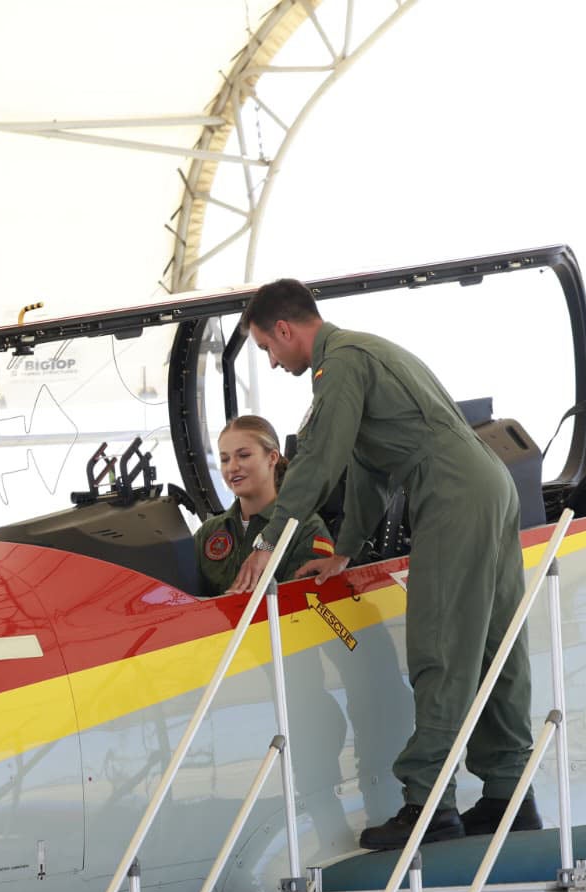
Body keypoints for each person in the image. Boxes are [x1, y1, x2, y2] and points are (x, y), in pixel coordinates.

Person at [228, 279, 537, 851]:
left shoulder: (340, 365)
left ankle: (428, 806)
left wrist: (268, 541)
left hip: (449, 494)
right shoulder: (365, 352)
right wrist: (343, 551)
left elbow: (320, 461)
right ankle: (508, 795)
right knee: (496, 644)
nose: (271, 362)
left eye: (268, 349)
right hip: (487, 484)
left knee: (439, 647)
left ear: (286, 330)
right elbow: (369, 470)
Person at [194, 415, 334, 596]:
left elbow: (308, 608)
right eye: (225, 459)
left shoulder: (306, 529)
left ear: (272, 457)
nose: (232, 467)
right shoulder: (208, 532)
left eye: (243, 455)